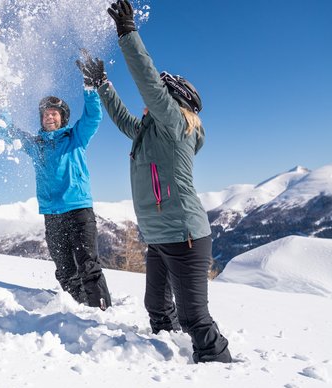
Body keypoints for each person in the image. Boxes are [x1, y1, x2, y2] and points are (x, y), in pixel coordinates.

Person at [90, 0, 232, 362]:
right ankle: (168, 361)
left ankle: (223, 371)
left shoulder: (174, 126)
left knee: (193, 318)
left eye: (160, 95)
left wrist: (127, 33)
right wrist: (102, 85)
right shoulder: (150, 133)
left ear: (173, 100)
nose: (149, 101)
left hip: (185, 237)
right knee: (156, 306)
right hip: (159, 237)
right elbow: (123, 119)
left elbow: (148, 80)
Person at [0, 58, 112, 310]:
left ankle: (102, 314)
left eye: (54, 113)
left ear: (63, 117)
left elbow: (93, 116)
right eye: (45, 113)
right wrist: (0, 101)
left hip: (78, 210)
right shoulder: (37, 146)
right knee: (66, 270)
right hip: (52, 214)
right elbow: (8, 132)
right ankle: (80, 311)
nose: (49, 116)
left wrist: (90, 87)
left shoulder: (75, 137)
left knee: (88, 266)